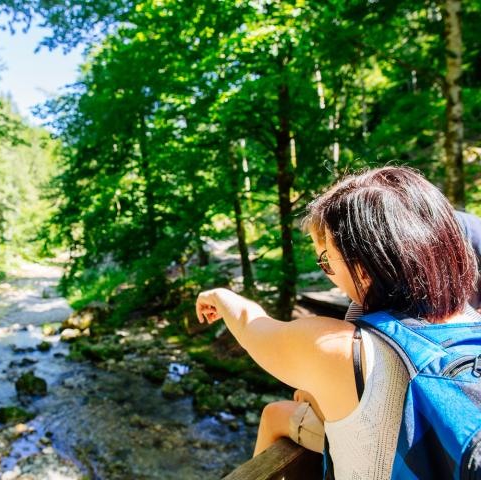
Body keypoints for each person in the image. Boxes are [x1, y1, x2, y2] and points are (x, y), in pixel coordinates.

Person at [196, 167, 479, 479]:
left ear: (364, 266)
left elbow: (253, 329)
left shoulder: (337, 348)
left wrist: (221, 297)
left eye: (326, 261)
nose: (325, 272)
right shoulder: (470, 321)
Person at [254, 209, 481, 459]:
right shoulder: (450, 285)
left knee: (275, 414)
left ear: (360, 262)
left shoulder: (363, 315)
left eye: (327, 261)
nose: (327, 273)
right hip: (442, 432)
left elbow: (359, 395)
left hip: (395, 447)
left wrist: (314, 394)